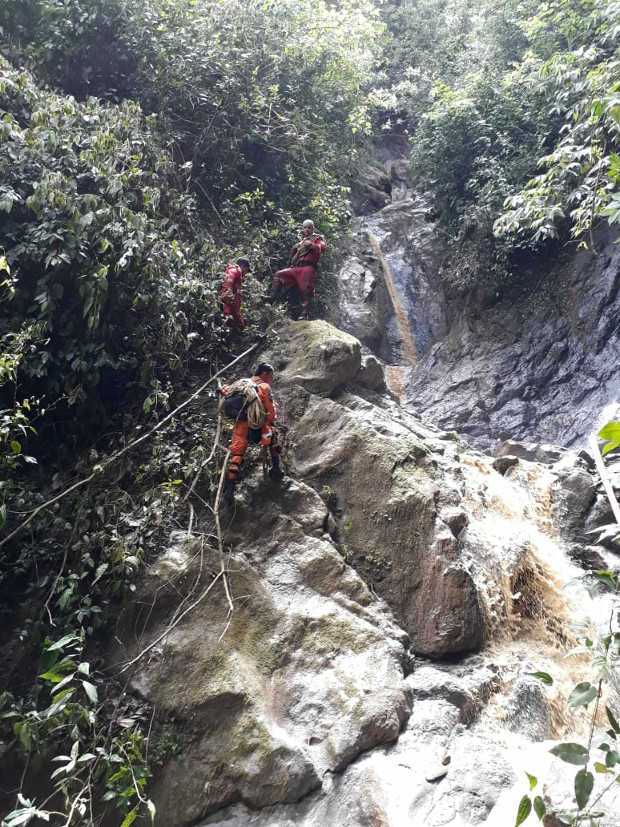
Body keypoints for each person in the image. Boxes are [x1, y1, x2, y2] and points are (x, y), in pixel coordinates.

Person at [222, 362, 284, 499]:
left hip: (240, 423)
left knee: (237, 455)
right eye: (271, 376)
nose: (271, 379)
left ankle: (229, 489)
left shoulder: (242, 383)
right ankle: (276, 469)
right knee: (273, 436)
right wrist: (271, 420)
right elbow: (270, 412)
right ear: (264, 374)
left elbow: (225, 392)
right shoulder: (264, 386)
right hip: (257, 424)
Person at [271, 220, 326, 318]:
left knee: (305, 290)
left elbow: (322, 247)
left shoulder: (317, 238)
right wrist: (297, 249)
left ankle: (305, 314)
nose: (307, 229)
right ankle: (272, 298)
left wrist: (312, 245)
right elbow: (293, 259)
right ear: (303, 229)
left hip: (308, 267)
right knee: (279, 275)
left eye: (309, 227)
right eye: (305, 228)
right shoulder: (301, 242)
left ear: (313, 228)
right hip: (296, 268)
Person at [220, 257, 251, 331]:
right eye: (247, 270)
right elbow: (229, 280)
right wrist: (227, 292)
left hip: (231, 306)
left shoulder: (238, 276)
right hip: (227, 306)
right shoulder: (236, 270)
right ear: (243, 266)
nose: (246, 273)